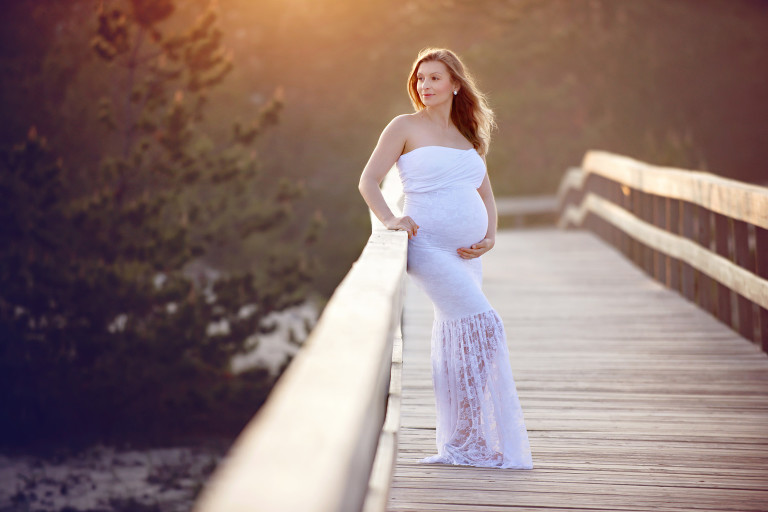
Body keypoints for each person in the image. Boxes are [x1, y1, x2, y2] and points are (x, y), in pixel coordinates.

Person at [358, 48, 533, 469]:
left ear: (456, 84)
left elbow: (484, 194)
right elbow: (367, 181)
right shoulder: (404, 126)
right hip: (429, 248)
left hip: (468, 255)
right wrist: (391, 219)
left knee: (463, 342)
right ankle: (466, 439)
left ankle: (464, 441)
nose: (425, 85)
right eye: (420, 79)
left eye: (434, 78)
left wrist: (489, 235)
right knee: (485, 327)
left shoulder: (468, 133)